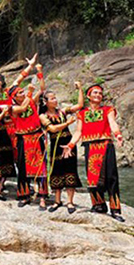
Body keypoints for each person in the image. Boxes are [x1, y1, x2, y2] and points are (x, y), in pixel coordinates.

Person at [64, 84, 125, 222]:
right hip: (90, 147)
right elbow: (79, 131)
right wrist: (71, 144)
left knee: (111, 177)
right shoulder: (82, 113)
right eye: (95, 93)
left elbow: (112, 122)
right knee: (92, 179)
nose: (98, 95)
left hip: (105, 145)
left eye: (100, 93)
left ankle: (115, 210)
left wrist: (118, 134)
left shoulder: (108, 110)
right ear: (88, 96)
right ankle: (98, 205)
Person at [0, 53, 38, 160]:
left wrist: (30, 66)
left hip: (14, 123)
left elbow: (19, 79)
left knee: (20, 150)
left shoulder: (7, 92)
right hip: (1, 125)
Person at [39, 82, 83, 213]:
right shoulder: (43, 116)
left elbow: (79, 105)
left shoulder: (62, 111)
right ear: (45, 102)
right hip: (56, 146)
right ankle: (57, 201)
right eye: (52, 98)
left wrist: (80, 89)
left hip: (68, 144)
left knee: (70, 170)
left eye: (55, 97)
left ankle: (70, 201)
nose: (55, 100)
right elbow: (52, 129)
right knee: (56, 171)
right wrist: (67, 123)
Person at [9, 64, 48, 210]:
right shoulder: (12, 108)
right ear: (14, 97)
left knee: (41, 167)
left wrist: (39, 72)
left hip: (36, 136)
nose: (23, 93)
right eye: (19, 93)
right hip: (23, 139)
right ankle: (24, 196)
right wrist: (30, 94)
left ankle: (43, 197)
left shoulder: (31, 100)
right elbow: (23, 109)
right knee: (23, 168)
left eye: (22, 91)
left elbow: (42, 89)